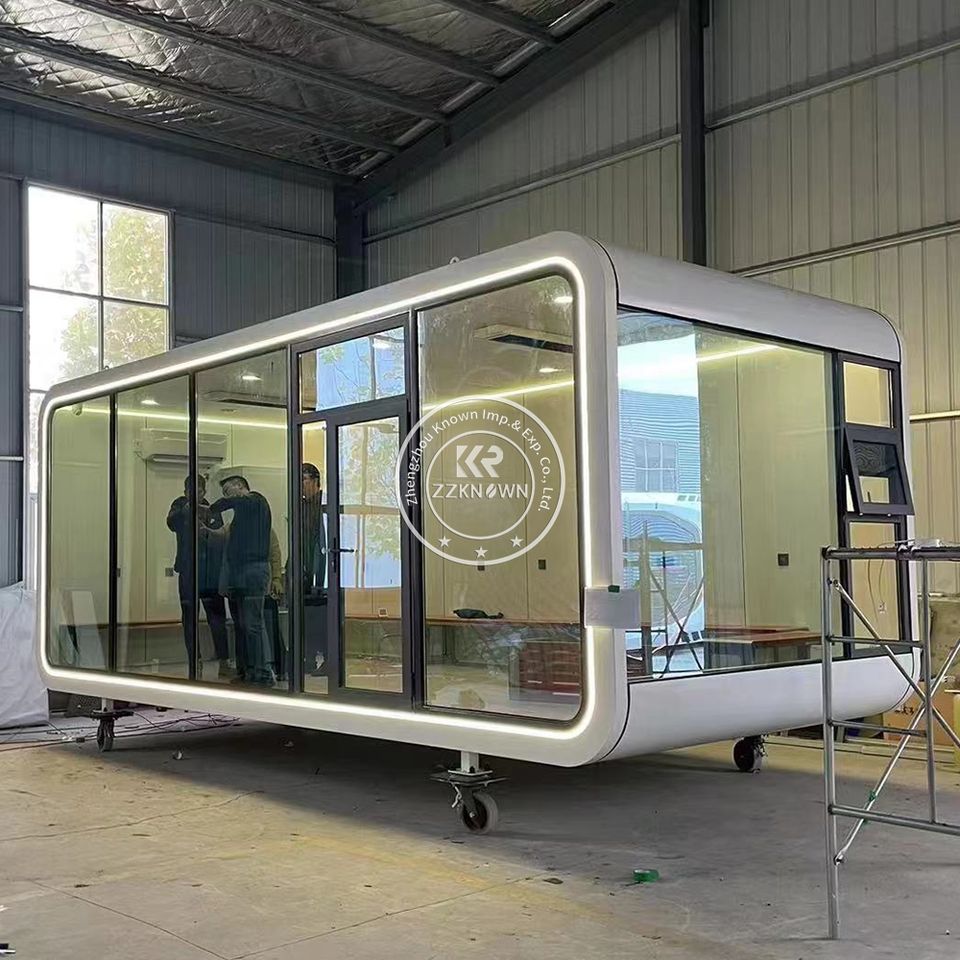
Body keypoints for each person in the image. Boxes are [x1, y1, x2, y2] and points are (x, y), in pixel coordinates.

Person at [209, 474, 275, 687]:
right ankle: (247, 670)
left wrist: (215, 506)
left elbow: (236, 502)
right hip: (239, 572)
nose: (227, 496)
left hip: (253, 570)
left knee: (253, 624)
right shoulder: (242, 515)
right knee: (241, 625)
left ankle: (262, 672)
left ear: (240, 486)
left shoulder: (256, 501)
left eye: (228, 490)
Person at [166, 476, 229, 678]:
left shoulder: (212, 509)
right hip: (188, 571)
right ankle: (195, 660)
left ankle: (224, 660)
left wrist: (207, 528)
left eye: (199, 491)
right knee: (189, 618)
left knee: (217, 618)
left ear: (204, 491)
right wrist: (188, 508)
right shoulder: (179, 505)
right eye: (191, 492)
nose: (196, 495)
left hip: (210, 572)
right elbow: (171, 523)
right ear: (185, 492)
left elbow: (220, 536)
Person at [301, 462, 328, 678]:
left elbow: (323, 540)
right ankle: (307, 659)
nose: (301, 485)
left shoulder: (324, 504)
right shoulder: (302, 506)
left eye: (304, 480)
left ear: (315, 481)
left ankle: (328, 659)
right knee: (306, 617)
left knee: (322, 617)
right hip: (304, 568)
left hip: (321, 568)